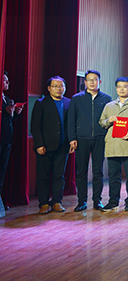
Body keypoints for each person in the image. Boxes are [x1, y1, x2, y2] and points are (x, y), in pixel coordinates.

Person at [66, 69, 111, 211]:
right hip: (81, 139)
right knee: (81, 172)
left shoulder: (106, 99)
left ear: (100, 81)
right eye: (89, 80)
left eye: (95, 79)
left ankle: (97, 200)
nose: (92, 82)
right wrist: (72, 138)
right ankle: (82, 201)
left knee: (98, 171)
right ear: (85, 82)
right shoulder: (76, 98)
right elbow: (71, 120)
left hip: (100, 138)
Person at [99, 77, 128, 212]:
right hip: (112, 144)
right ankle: (113, 201)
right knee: (113, 176)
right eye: (119, 87)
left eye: (125, 86)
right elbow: (102, 122)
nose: (122, 89)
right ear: (116, 88)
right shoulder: (109, 106)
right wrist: (109, 120)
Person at [30, 76, 71, 214]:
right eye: (55, 86)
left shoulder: (68, 102)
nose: (59, 89)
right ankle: (43, 203)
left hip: (63, 146)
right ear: (49, 88)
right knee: (43, 176)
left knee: (59, 176)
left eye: (61, 86)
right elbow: (35, 126)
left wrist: (71, 141)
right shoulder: (41, 103)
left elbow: (71, 124)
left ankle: (57, 202)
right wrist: (39, 144)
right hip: (45, 147)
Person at [1, 71, 24, 211]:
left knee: (3, 170)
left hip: (7, 139)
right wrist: (5, 112)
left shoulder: (7, 98)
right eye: (5, 80)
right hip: (1, 138)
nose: (8, 83)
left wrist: (15, 114)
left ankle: (1, 202)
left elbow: (8, 120)